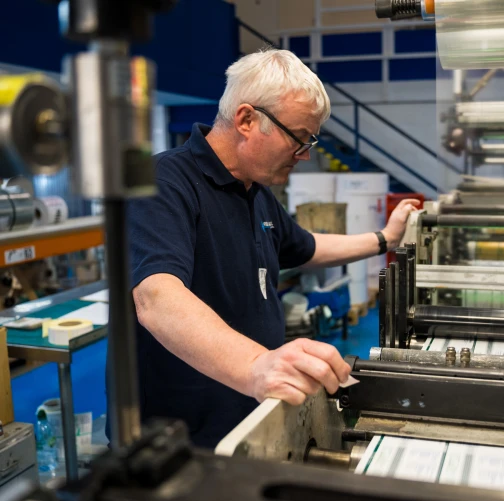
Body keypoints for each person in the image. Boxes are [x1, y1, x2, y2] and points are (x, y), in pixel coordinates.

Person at [109, 48, 419, 449]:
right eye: (299, 139)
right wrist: (255, 364)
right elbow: (156, 297)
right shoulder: (163, 183)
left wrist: (384, 239)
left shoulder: (256, 190)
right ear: (246, 119)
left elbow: (306, 248)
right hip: (180, 437)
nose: (305, 156)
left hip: (250, 416)